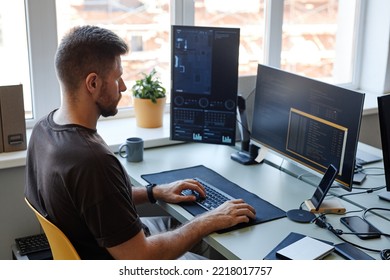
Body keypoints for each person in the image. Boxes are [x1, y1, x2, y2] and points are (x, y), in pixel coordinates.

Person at [25, 25, 256, 260]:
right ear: (92, 84)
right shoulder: (92, 160)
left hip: (100, 247)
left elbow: (97, 201)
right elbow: (141, 258)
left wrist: (154, 192)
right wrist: (207, 220)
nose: (124, 86)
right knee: (205, 237)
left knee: (185, 229)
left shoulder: (44, 129)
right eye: (117, 77)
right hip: (128, 258)